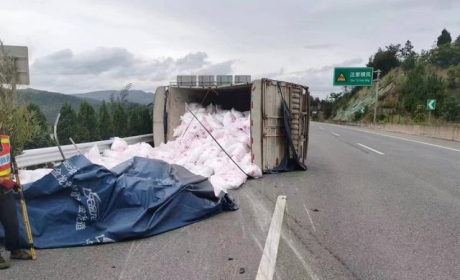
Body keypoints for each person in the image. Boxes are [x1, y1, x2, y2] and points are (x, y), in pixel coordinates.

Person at [0, 163, 32, 269]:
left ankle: (14, 249)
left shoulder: (6, 145)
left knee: (11, 222)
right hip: (3, 184)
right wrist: (3, 181)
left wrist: (10, 181)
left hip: (4, 190)